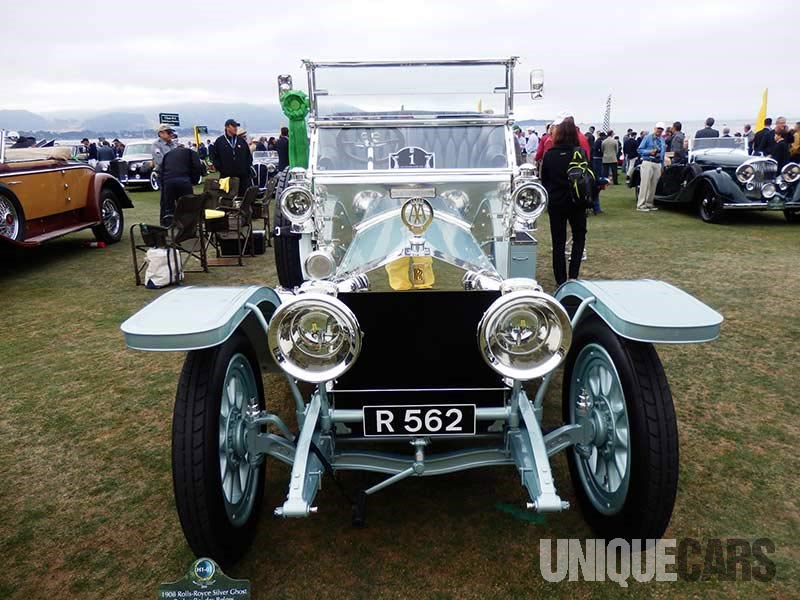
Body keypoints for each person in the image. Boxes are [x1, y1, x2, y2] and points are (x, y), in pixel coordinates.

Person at [540, 117, 589, 286]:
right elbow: (586, 177)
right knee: (579, 237)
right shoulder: (578, 153)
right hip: (577, 201)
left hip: (556, 202)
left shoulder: (550, 155)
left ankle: (560, 279)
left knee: (558, 242)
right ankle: (573, 275)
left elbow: (544, 180)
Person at [159, 143, 202, 226]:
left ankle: (168, 229)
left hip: (168, 181)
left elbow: (162, 170)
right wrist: (194, 181)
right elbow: (197, 166)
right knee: (187, 207)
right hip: (184, 181)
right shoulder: (191, 152)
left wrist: (164, 185)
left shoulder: (168, 154)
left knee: (168, 209)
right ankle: (187, 229)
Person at [212, 118, 253, 192]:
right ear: (227, 127)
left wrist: (247, 168)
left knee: (242, 197)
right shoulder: (220, 141)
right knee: (227, 197)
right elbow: (215, 157)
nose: (236, 128)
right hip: (226, 176)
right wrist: (222, 169)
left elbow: (248, 156)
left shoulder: (241, 141)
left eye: (236, 126)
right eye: (233, 126)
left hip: (242, 176)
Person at [636, 122, 666, 212]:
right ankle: (641, 204)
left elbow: (663, 153)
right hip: (648, 161)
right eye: (658, 129)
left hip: (657, 163)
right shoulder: (648, 137)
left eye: (661, 129)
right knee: (645, 184)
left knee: (653, 185)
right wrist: (649, 152)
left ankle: (649, 203)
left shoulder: (662, 140)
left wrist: (662, 165)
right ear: (655, 128)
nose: (659, 131)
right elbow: (639, 149)